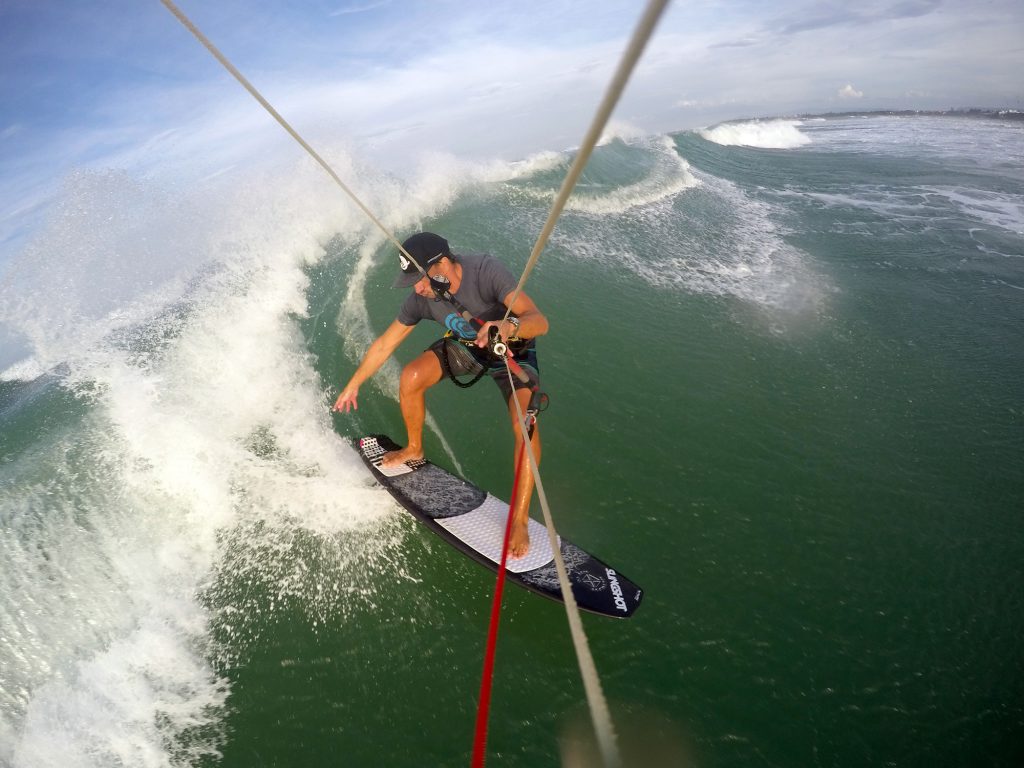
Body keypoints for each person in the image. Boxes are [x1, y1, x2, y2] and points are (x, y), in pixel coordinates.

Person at [333, 232, 548, 559]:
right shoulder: (422, 298)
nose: (416, 289)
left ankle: (520, 519)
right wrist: (354, 383)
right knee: (411, 376)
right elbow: (385, 344)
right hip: (467, 348)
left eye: (418, 280)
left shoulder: (485, 271)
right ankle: (414, 448)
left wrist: (509, 327)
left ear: (442, 264)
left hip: (511, 353)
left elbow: (540, 321)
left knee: (525, 424)